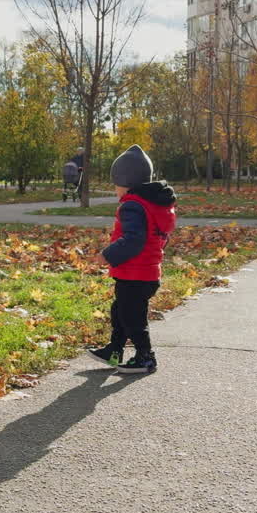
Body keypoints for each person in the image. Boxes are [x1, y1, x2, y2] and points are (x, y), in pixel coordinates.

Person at [88, 145, 177, 374]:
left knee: (132, 318)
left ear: (125, 182)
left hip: (136, 274)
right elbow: (158, 239)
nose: (115, 189)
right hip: (144, 273)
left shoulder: (133, 206)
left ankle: (145, 357)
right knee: (120, 312)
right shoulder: (155, 205)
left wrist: (107, 255)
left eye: (115, 184)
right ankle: (114, 351)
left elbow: (134, 240)